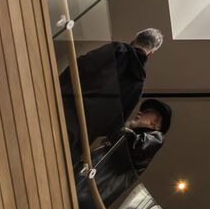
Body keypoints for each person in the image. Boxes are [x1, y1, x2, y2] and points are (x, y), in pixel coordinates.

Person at [57, 27, 163, 164]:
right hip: (82, 133)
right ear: (151, 53)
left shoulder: (117, 49)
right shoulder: (138, 83)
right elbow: (118, 120)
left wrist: (59, 87)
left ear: (135, 40)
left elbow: (82, 65)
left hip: (65, 108)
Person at [77, 97, 172, 209]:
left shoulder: (155, 138)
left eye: (147, 112)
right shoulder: (124, 138)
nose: (139, 113)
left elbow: (134, 145)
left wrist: (123, 127)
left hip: (83, 196)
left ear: (155, 123)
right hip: (80, 188)